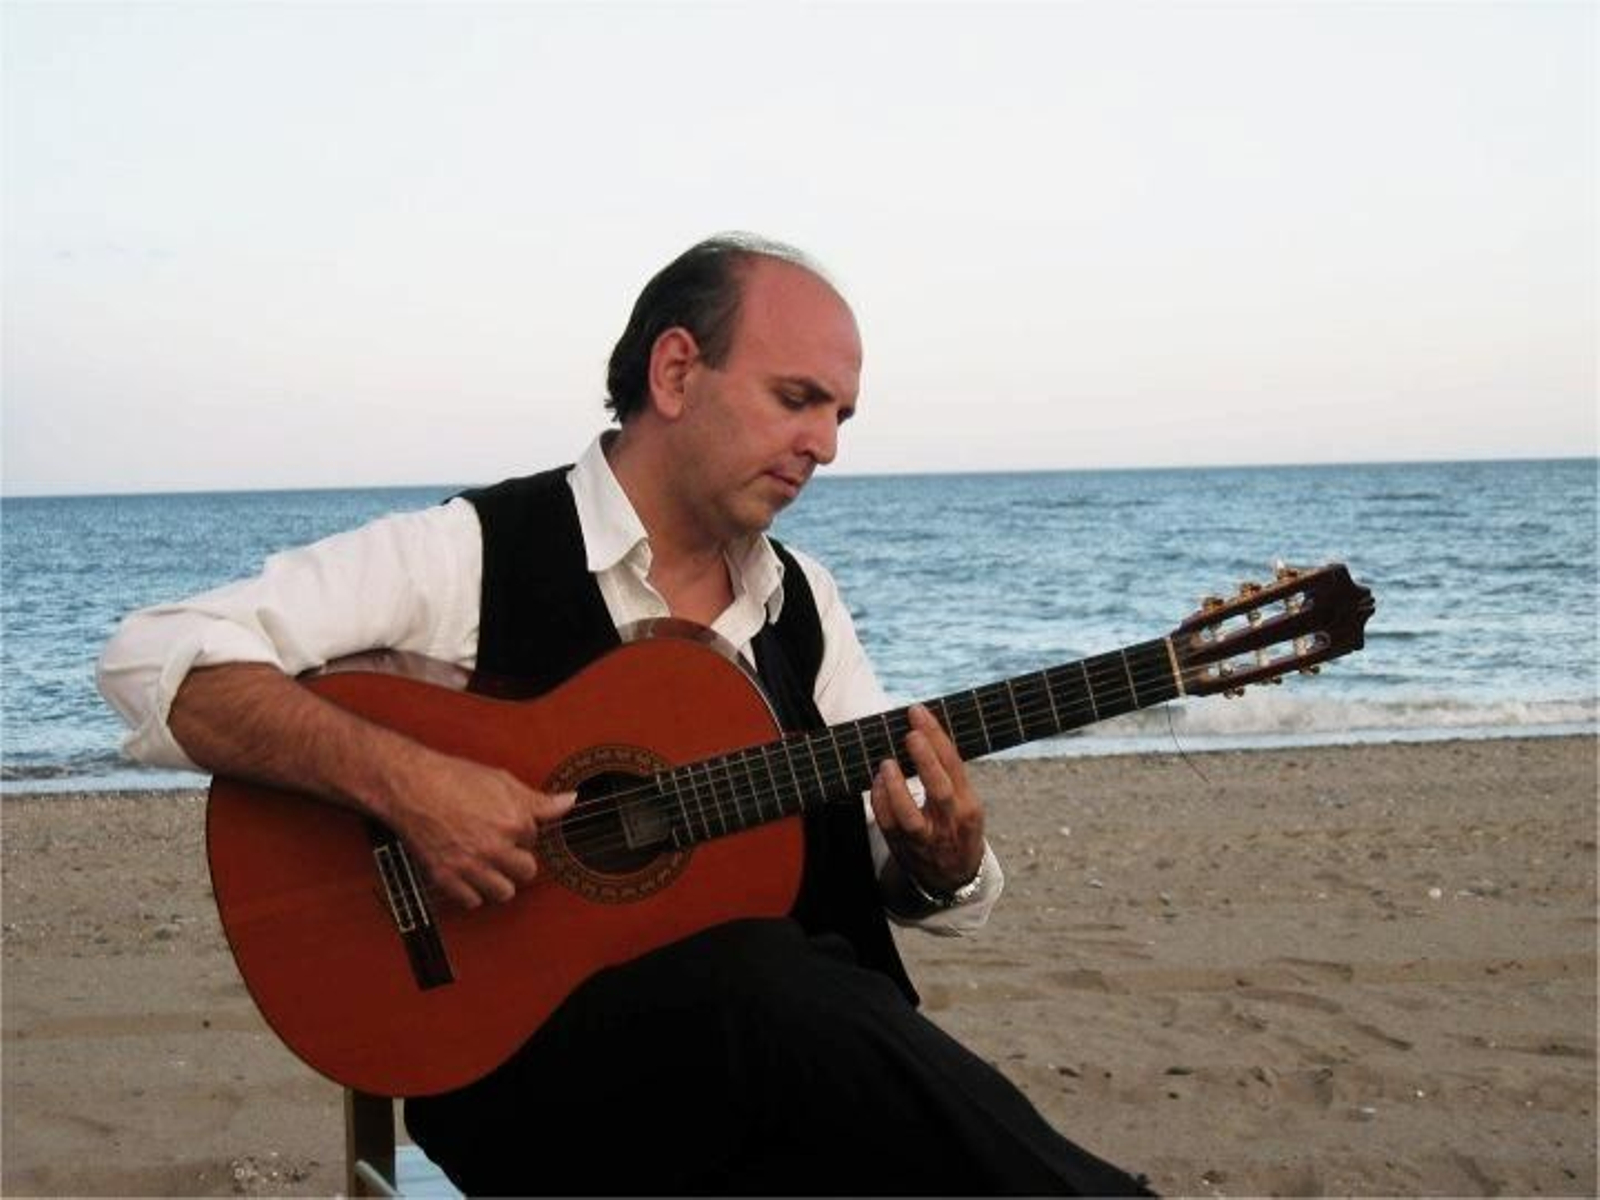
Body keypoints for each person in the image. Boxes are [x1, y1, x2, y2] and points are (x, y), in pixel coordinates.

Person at [98, 234, 1153, 1196]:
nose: (825, 444)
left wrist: (941, 864)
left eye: (839, 414)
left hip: (774, 1098)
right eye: (797, 399)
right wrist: (409, 786)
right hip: (524, 1085)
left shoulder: (801, 605)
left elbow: (880, 849)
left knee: (798, 1004)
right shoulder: (472, 553)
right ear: (677, 371)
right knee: (766, 981)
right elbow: (156, 662)